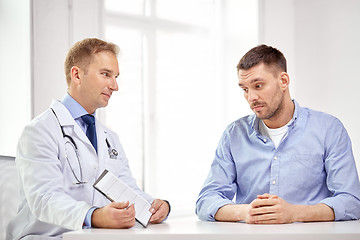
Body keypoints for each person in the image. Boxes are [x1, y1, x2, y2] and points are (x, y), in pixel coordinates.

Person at [7, 38, 170, 240]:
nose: (115, 86)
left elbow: (127, 189)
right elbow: (44, 199)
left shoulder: (110, 138)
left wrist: (154, 206)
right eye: (106, 74)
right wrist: (93, 215)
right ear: (77, 75)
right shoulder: (39, 131)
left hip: (94, 236)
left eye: (116, 76)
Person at [196, 44, 360, 224]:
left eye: (258, 85)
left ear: (283, 81)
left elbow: (351, 201)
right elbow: (206, 201)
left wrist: (295, 213)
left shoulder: (329, 129)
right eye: (245, 89)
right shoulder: (233, 134)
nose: (251, 98)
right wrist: (245, 212)